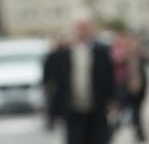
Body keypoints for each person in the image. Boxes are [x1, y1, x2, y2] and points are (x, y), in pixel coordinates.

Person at [50, 10, 116, 144]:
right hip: (73, 110)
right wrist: (55, 110)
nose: (82, 30)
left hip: (97, 109)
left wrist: (113, 100)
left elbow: (109, 79)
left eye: (85, 26)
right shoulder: (62, 55)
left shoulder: (102, 53)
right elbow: (57, 83)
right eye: (79, 26)